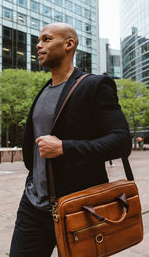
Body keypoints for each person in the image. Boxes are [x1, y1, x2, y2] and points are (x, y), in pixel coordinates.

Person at [9, 23, 131, 257]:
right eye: (39, 40)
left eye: (46, 39)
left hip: (80, 207)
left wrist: (64, 147)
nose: (38, 45)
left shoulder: (95, 85)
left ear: (68, 44)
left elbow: (121, 141)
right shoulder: (43, 90)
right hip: (33, 206)